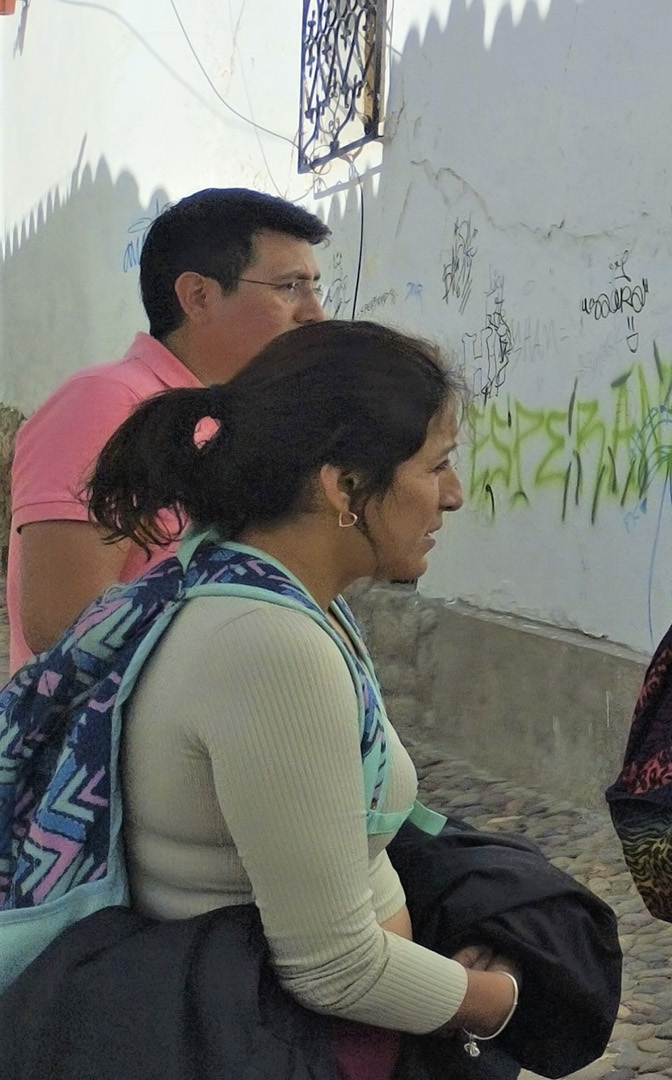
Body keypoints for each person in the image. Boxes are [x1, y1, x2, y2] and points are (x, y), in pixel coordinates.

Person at [82, 321, 510, 1076]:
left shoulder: (250, 584)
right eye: (436, 465)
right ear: (343, 486)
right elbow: (333, 966)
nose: (454, 495)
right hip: (292, 1041)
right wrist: (497, 999)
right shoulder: (269, 646)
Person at [6, 186, 329, 671]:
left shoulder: (226, 419)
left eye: (313, 286)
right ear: (198, 296)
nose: (314, 313)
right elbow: (63, 623)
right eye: (289, 287)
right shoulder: (105, 402)